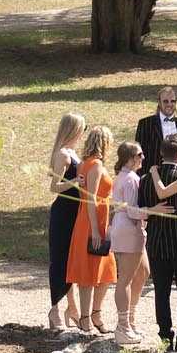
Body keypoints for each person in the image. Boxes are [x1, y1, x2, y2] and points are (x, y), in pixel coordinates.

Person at [143, 133, 177, 353]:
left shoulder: (147, 180)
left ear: (161, 154)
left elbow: (142, 208)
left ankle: (165, 336)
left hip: (157, 243)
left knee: (161, 291)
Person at [64, 125, 117, 335]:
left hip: (94, 219)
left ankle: (94, 313)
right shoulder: (94, 165)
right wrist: (96, 230)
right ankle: (86, 316)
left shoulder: (86, 164)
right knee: (88, 271)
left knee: (105, 270)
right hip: (91, 221)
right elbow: (91, 197)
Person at [44, 112, 86, 333]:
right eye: (82, 128)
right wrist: (74, 182)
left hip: (75, 213)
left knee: (72, 261)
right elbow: (54, 187)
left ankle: (73, 308)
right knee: (60, 261)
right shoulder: (63, 154)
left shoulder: (72, 152)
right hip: (63, 213)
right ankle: (55, 309)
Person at [108, 140, 152, 344]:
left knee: (143, 271)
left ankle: (130, 319)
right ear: (130, 158)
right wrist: (154, 212)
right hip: (128, 228)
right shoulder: (131, 178)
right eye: (139, 155)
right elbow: (132, 210)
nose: (142, 158)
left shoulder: (125, 177)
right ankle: (123, 326)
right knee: (125, 278)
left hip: (126, 227)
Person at [134, 87, 177, 176]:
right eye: (165, 101)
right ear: (159, 102)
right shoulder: (145, 124)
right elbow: (139, 152)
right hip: (150, 176)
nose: (169, 104)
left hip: (175, 177)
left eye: (172, 101)